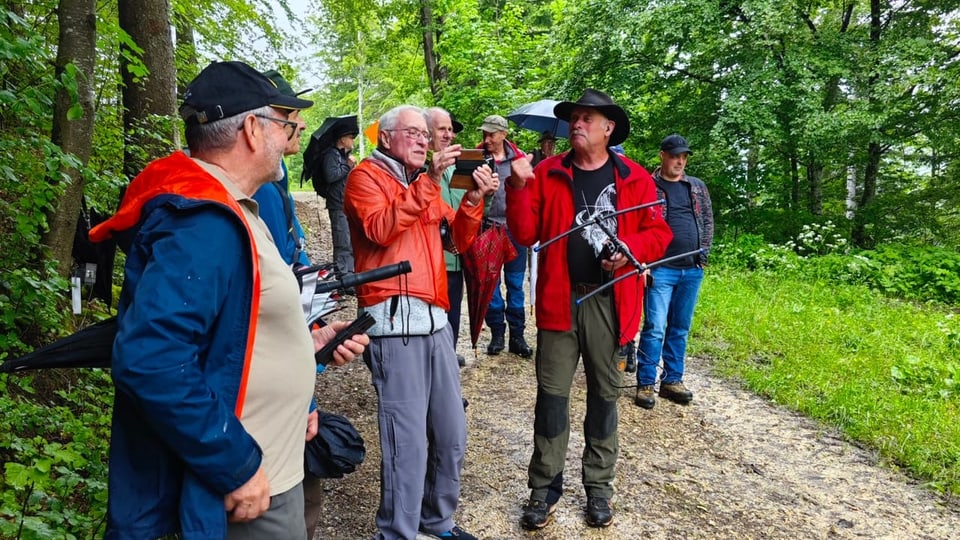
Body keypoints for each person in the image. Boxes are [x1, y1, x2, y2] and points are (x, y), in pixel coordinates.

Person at [89, 61, 369, 540]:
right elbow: (151, 359)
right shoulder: (201, 221)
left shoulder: (235, 205)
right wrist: (234, 464)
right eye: (286, 124)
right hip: (245, 488)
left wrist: (307, 342)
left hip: (270, 469)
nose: (294, 133)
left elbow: (230, 327)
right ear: (252, 129)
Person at [504, 88, 672, 530]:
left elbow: (659, 235)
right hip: (560, 302)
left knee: (604, 400)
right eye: (574, 118)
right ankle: (544, 491)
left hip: (611, 302)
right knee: (552, 401)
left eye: (586, 119)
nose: (577, 124)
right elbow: (524, 234)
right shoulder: (547, 172)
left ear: (608, 128)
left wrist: (630, 249)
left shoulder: (634, 178)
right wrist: (518, 185)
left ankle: (599, 489)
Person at [344, 105, 499, 540]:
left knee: (451, 433)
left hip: (435, 323)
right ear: (387, 138)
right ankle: (397, 532)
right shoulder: (365, 178)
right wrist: (431, 182)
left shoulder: (422, 185)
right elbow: (379, 229)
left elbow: (458, 240)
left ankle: (437, 520)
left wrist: (472, 200)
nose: (422, 140)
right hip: (394, 328)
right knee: (406, 445)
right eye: (412, 133)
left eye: (423, 134)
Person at [635, 134, 714, 409]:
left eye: (684, 157)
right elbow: (637, 225)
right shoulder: (647, 185)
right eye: (675, 156)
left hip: (691, 268)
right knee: (655, 326)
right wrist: (642, 262)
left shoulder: (697, 187)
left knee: (680, 327)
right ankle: (645, 382)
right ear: (663, 156)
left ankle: (672, 380)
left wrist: (702, 257)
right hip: (660, 268)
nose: (680, 161)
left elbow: (707, 220)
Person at [477, 114, 534, 358]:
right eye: (484, 133)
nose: (487, 138)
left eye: (491, 134)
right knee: (490, 285)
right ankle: (497, 333)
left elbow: (531, 193)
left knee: (515, 284)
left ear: (504, 134)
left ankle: (518, 335)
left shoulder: (519, 159)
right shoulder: (476, 157)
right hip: (487, 227)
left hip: (514, 230)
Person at [252, 69, 311, 268]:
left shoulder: (277, 173)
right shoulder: (259, 186)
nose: (302, 125)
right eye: (294, 115)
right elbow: (274, 263)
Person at [427, 106, 468, 367]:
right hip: (431, 258)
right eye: (442, 129)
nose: (449, 134)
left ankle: (448, 364)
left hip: (456, 258)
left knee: (453, 314)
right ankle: (435, 368)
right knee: (434, 318)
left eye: (451, 130)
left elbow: (465, 209)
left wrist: (481, 194)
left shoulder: (455, 168)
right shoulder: (418, 166)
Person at [319, 117, 359, 275]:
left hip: (345, 205)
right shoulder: (331, 155)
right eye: (350, 137)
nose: (353, 140)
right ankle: (343, 278)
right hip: (337, 205)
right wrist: (347, 166)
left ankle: (350, 276)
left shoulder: (342, 156)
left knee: (349, 242)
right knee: (342, 242)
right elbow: (331, 175)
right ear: (342, 138)